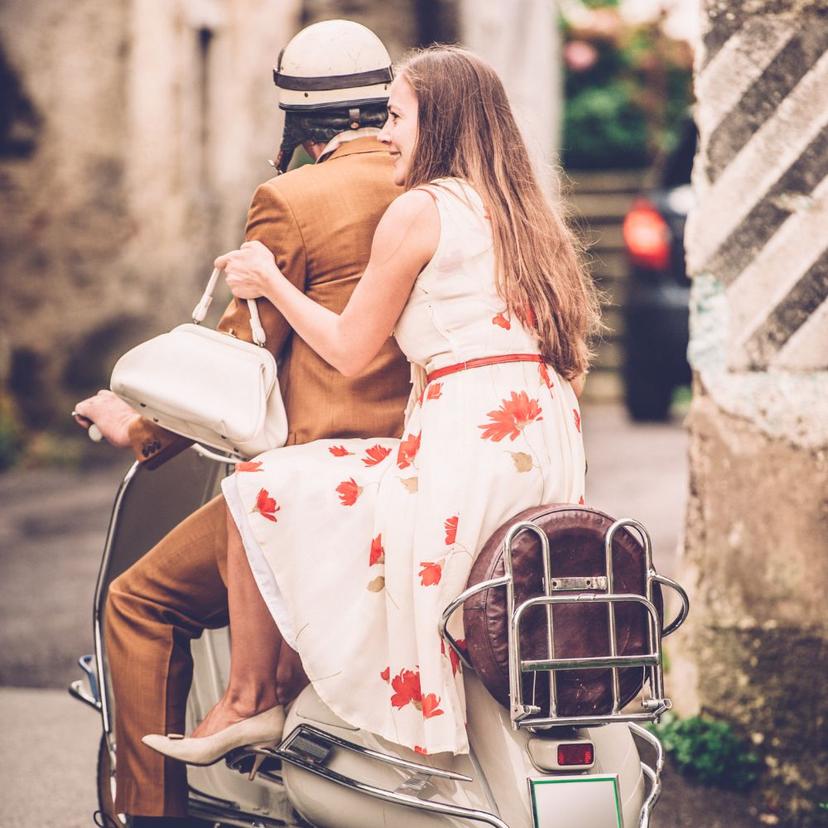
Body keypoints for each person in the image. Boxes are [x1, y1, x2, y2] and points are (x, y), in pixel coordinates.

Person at [142, 44, 599, 768]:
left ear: (439, 124)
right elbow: (569, 369)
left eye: (395, 116)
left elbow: (352, 349)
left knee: (262, 485)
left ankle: (251, 697)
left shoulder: (419, 208)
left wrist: (269, 280)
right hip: (542, 453)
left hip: (465, 451)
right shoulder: (525, 213)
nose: (383, 133)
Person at [74, 20, 411, 826]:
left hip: (317, 476)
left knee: (139, 603)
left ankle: (149, 814)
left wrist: (139, 427)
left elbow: (238, 355)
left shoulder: (290, 201)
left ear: (298, 116)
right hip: (423, 468)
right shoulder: (437, 191)